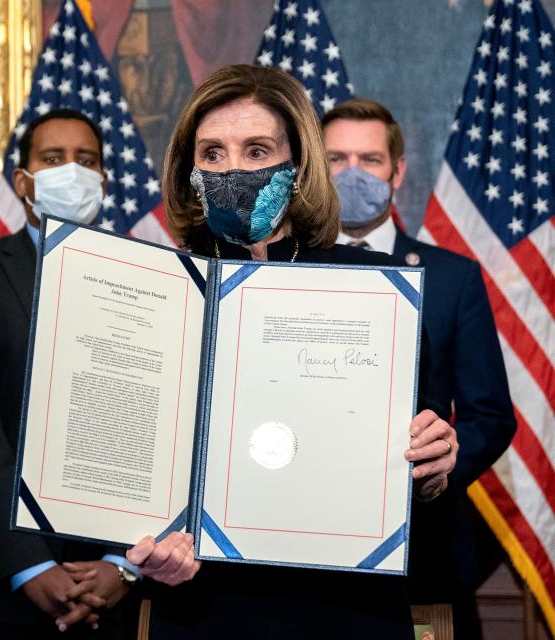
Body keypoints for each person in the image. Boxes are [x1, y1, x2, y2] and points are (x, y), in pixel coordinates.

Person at [124, 64, 458, 639]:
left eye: (257, 151)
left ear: (298, 166)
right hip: (206, 608)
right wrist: (144, 545)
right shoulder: (159, 292)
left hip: (347, 608)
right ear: (189, 171)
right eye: (213, 153)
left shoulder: (377, 288)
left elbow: (415, 468)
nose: (234, 170)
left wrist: (434, 462)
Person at [0, 108, 141, 639]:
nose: (71, 170)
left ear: (103, 182)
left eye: (85, 160)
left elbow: (161, 429)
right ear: (23, 181)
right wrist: (29, 563)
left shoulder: (150, 279)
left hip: (110, 585)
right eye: (53, 159)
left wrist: (123, 563)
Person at [322, 97, 516, 638]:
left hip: (421, 552)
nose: (353, 173)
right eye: (336, 159)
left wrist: (439, 465)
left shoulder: (453, 278)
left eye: (370, 159)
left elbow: (490, 415)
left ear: (398, 170)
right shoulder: (281, 267)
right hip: (301, 550)